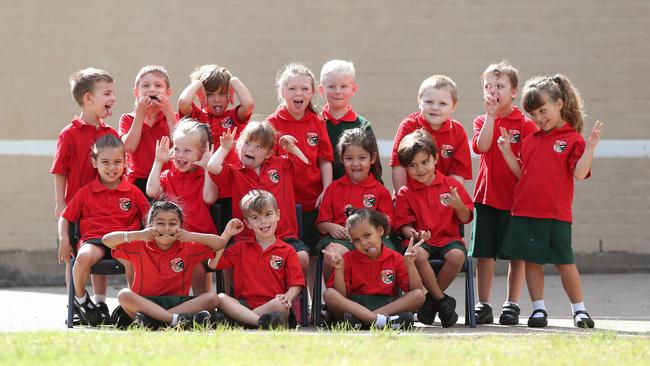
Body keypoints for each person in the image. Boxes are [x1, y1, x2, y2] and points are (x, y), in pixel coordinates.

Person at [497, 74, 603, 328]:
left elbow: (579, 173)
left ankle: (579, 311)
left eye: (542, 110)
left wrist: (590, 149)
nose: (538, 118)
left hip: (556, 215)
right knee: (532, 263)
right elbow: (523, 174)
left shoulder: (572, 139)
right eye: (532, 114)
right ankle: (538, 310)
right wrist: (507, 153)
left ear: (559, 103)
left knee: (565, 263)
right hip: (524, 212)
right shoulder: (530, 140)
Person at [207, 121, 310, 317]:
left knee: (302, 256)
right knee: (233, 257)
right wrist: (224, 147)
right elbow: (212, 167)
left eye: (259, 146)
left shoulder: (281, 165)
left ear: (269, 153)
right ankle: (235, 302)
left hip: (284, 237)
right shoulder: (234, 172)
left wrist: (293, 149)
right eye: (247, 143)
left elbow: (305, 166)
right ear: (239, 146)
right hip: (248, 238)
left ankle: (291, 301)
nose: (251, 149)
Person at [469, 61, 538, 325]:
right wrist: (490, 116)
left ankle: (511, 304)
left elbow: (527, 169)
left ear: (513, 91)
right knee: (484, 254)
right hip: (486, 196)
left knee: (515, 254)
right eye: (487, 86)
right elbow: (482, 146)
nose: (493, 91)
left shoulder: (525, 124)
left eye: (499, 86)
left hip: (514, 200)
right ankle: (483, 304)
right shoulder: (481, 120)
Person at [102, 200, 242, 330]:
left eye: (173, 223)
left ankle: (156, 321)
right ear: (150, 226)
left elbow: (220, 244)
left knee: (212, 298)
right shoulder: (138, 245)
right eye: (160, 223)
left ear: (180, 227)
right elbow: (106, 241)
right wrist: (138, 234)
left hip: (179, 304)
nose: (167, 228)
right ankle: (175, 321)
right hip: (145, 303)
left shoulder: (188, 247)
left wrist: (192, 236)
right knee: (124, 295)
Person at [58, 135, 149, 326]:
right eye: (105, 162)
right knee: (82, 258)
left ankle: (134, 307)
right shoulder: (86, 192)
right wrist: (64, 241)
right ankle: (82, 302)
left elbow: (149, 217)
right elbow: (65, 217)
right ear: (94, 162)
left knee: (133, 260)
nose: (112, 167)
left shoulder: (132, 191)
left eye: (117, 162)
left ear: (126, 162)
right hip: (95, 240)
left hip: (124, 241)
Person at [52, 68, 119, 320]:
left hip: (103, 207)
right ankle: (76, 305)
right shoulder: (69, 133)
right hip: (75, 207)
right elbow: (59, 170)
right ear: (89, 98)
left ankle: (100, 302)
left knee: (99, 248)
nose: (113, 98)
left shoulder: (110, 134)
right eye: (108, 93)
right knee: (73, 257)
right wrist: (60, 201)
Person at [393, 129, 473, 328]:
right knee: (417, 254)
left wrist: (458, 205)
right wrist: (412, 233)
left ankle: (430, 301)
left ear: (435, 159)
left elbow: (466, 217)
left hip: (448, 238)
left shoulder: (451, 185)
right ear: (405, 168)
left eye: (424, 162)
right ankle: (442, 300)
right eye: (412, 165)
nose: (420, 169)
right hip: (422, 242)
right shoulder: (405, 192)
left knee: (456, 256)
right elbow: (403, 224)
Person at [267, 62, 334, 260]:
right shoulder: (273, 123)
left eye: (305, 88)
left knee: (312, 253)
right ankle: (294, 291)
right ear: (282, 92)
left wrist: (326, 189)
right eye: (292, 88)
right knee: (291, 253)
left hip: (312, 199)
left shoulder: (317, 121)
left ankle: (311, 293)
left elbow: (324, 159)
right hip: (285, 202)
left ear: (313, 92)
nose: (299, 93)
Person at [178, 64, 255, 233]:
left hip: (229, 188)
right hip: (202, 187)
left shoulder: (234, 117)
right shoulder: (197, 116)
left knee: (229, 233)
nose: (217, 99)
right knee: (207, 232)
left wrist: (232, 81)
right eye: (210, 94)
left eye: (222, 93)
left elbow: (248, 104)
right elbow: (183, 102)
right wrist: (198, 84)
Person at [214, 190, 306, 329]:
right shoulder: (240, 248)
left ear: (278, 215)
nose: (263, 221)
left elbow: (297, 283)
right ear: (248, 224)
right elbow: (213, 263)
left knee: (281, 305)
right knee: (220, 298)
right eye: (255, 217)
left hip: (272, 304)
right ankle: (259, 321)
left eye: (268, 214)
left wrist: (288, 296)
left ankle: (241, 320)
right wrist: (226, 235)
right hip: (244, 304)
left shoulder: (287, 251)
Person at [146, 118, 218, 294]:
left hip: (199, 237)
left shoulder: (205, 176)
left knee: (195, 264)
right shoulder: (168, 174)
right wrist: (158, 161)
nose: (180, 155)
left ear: (202, 153)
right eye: (176, 149)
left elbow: (209, 198)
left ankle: (203, 305)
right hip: (173, 238)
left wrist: (208, 168)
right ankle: (168, 302)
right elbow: (151, 190)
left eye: (187, 151)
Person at [322, 208, 424, 330]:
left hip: (386, 305)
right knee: (329, 294)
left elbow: (414, 289)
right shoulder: (348, 259)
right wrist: (339, 269)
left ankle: (365, 321)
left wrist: (410, 264)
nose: (364, 243)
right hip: (355, 306)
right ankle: (382, 322)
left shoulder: (395, 258)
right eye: (357, 240)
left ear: (380, 231)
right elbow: (340, 295)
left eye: (367, 235)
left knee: (419, 294)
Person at [316, 128, 395, 280]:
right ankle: (335, 298)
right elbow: (321, 223)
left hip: (371, 241)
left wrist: (368, 236)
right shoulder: (333, 188)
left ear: (372, 158)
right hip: (341, 241)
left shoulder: (380, 191)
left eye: (362, 158)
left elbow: (387, 227)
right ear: (341, 159)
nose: (356, 163)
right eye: (349, 158)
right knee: (332, 254)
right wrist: (330, 227)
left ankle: (370, 298)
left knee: (373, 252)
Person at [390, 75, 472, 192]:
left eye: (443, 104)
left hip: (441, 199)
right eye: (429, 102)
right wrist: (402, 197)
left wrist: (445, 201)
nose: (435, 107)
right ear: (419, 102)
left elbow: (458, 173)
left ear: (453, 106)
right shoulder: (409, 125)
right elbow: (399, 166)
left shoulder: (458, 132)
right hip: (410, 196)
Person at [318, 59, 382, 180]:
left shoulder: (363, 126)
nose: (338, 91)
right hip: (320, 195)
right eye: (331, 86)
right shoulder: (315, 123)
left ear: (354, 89)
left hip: (354, 194)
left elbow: (375, 168)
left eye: (343, 86)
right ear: (321, 90)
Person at [119, 65, 177, 197]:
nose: (152, 89)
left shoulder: (172, 118)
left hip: (166, 179)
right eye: (145, 86)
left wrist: (168, 110)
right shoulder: (128, 118)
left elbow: (179, 142)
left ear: (167, 93)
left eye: (158, 85)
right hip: (138, 181)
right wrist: (140, 114)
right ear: (136, 93)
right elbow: (128, 148)